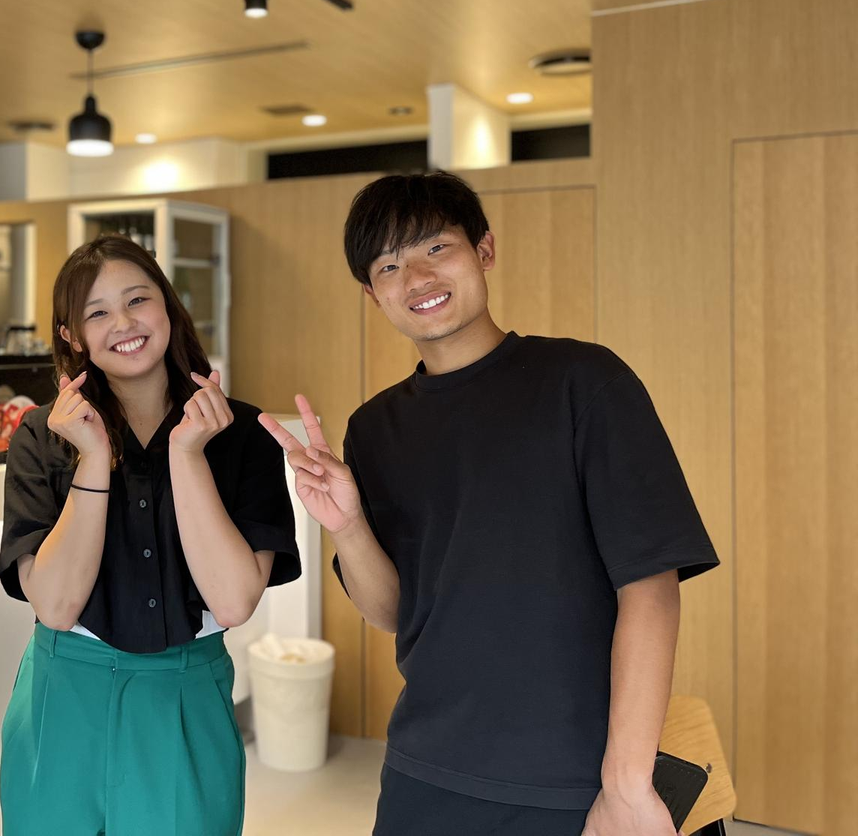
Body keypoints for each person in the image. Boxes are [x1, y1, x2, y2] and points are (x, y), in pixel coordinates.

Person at [259, 171, 718, 836]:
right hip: (424, 767)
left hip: (572, 777)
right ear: (372, 293)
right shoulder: (375, 429)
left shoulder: (585, 383)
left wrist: (625, 785)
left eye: (435, 248)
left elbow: (651, 586)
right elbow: (391, 612)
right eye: (389, 266)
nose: (416, 278)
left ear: (484, 249)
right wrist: (349, 526)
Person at [0, 235, 299, 836]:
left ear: (167, 305)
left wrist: (188, 455)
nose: (124, 323)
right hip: (63, 696)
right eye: (97, 312)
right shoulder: (40, 434)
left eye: (138, 300)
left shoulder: (241, 433)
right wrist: (92, 458)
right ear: (71, 336)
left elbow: (233, 601)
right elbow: (55, 606)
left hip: (184, 695)